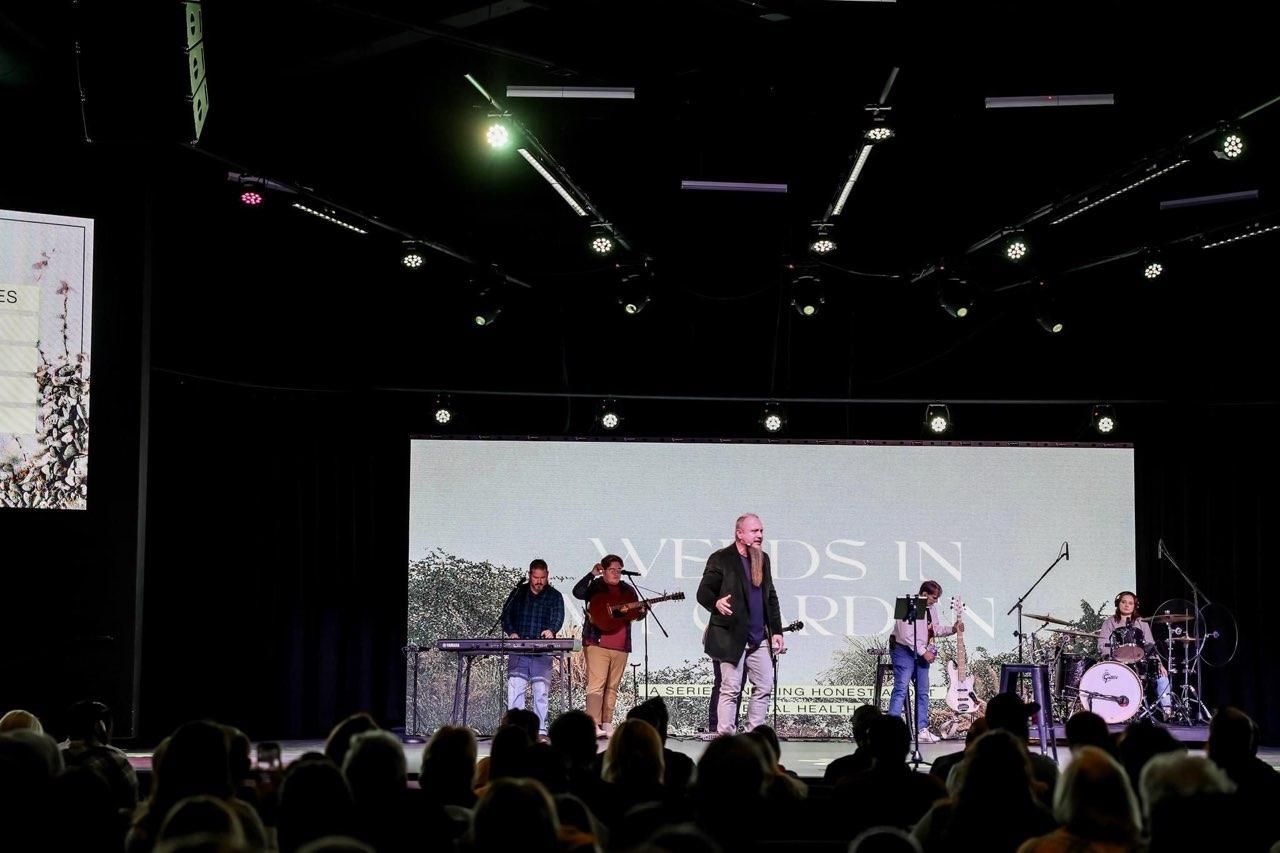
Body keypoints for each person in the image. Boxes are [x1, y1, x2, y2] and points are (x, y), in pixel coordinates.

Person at [697, 513, 785, 735]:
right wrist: (716, 603)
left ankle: (754, 735)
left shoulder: (762, 558)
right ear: (739, 534)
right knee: (731, 689)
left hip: (759, 636)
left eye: (761, 531)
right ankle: (726, 738)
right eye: (754, 531)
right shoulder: (722, 558)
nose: (760, 535)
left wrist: (776, 631)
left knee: (764, 685)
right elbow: (703, 592)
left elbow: (770, 596)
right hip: (731, 635)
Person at [573, 554, 645, 737]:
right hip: (597, 643)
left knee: (612, 686)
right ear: (603, 570)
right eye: (612, 569)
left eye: (619, 570)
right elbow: (578, 592)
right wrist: (591, 574)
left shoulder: (628, 590)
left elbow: (634, 615)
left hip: (621, 645)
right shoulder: (595, 586)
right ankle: (593, 723)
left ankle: (607, 723)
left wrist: (642, 612)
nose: (616, 573)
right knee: (596, 684)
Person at [887, 580, 961, 743]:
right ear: (925, 594)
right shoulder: (908, 605)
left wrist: (952, 629)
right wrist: (924, 652)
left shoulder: (931, 608)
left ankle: (922, 730)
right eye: (934, 597)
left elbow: (934, 629)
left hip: (921, 650)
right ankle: (891, 731)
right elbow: (906, 636)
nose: (936, 601)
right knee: (901, 688)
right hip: (902, 649)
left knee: (923, 690)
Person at [500, 559, 566, 737]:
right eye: (536, 578)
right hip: (519, 650)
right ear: (530, 575)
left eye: (542, 578)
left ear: (547, 575)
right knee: (515, 689)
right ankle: (515, 730)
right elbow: (506, 615)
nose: (539, 582)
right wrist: (512, 632)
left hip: (542, 652)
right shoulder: (518, 593)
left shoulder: (555, 596)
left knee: (541, 691)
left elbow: (558, 617)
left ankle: (541, 730)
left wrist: (551, 630)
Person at [1098, 591, 1171, 718]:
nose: (1127, 605)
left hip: (1140, 663)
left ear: (1135, 606)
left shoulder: (1142, 622)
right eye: (1123, 602)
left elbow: (1150, 646)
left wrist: (1159, 664)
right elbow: (1102, 645)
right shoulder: (1109, 622)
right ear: (1118, 604)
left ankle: (1167, 712)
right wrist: (1111, 657)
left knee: (1162, 677)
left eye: (1130, 603)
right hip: (1118, 663)